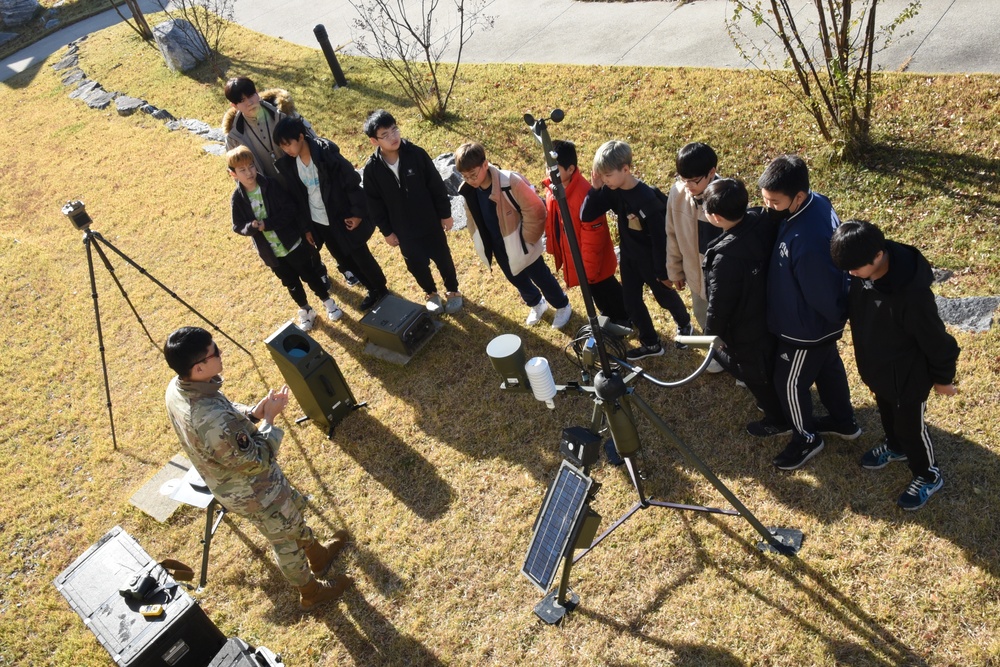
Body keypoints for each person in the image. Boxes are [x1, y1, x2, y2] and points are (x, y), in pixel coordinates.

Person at [163, 327, 351, 611]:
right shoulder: (208, 419)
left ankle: (318, 554)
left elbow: (226, 418)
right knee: (285, 540)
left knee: (291, 514)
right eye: (216, 352)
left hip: (254, 482)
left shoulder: (181, 386)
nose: (221, 353)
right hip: (252, 492)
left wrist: (254, 413)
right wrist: (270, 422)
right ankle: (310, 591)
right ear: (199, 366)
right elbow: (257, 459)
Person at [830, 220, 960, 510]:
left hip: (908, 378)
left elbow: (937, 341)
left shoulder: (913, 297)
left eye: (854, 269)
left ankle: (928, 474)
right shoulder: (861, 271)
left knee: (911, 427)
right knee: (887, 413)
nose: (851, 275)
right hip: (877, 369)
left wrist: (943, 378)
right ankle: (895, 446)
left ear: (877, 256)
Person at [760, 154, 860, 470]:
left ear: (798, 196)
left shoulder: (807, 240)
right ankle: (845, 421)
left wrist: (828, 322)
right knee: (828, 367)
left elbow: (821, 291)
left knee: (788, 382)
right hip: (816, 324)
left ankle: (806, 437)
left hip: (806, 327)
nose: (768, 207)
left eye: (774, 201)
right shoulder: (818, 203)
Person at [223, 76, 359, 288]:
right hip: (275, 196)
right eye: (242, 100)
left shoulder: (283, 114)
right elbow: (237, 168)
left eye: (251, 95)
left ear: (257, 92)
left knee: (326, 227)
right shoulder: (234, 136)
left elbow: (313, 142)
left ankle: (347, 266)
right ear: (234, 105)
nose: (249, 102)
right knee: (303, 238)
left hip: (306, 183)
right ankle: (319, 271)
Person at [581, 140, 692, 360]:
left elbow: (662, 239)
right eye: (601, 175)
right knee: (631, 302)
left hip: (652, 261)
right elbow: (587, 214)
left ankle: (684, 322)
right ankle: (651, 343)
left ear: (625, 169)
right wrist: (595, 189)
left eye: (608, 175)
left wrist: (664, 272)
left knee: (664, 297)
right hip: (630, 258)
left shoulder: (647, 198)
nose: (604, 180)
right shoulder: (612, 191)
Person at [274, 117, 390, 311]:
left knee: (361, 256)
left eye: (288, 144)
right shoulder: (290, 165)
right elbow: (298, 201)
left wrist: (358, 213)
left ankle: (382, 290)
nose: (286, 149)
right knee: (344, 259)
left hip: (342, 216)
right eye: (282, 146)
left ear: (301, 137)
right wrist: (307, 229)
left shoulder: (325, 154)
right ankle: (372, 290)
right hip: (320, 222)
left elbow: (351, 181)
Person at [701, 178, 787, 435]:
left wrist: (711, 335)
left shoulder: (726, 258)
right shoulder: (763, 220)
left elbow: (719, 303)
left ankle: (777, 420)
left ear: (715, 217)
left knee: (755, 374)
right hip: (770, 313)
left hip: (745, 328)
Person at [455, 142, 572, 328]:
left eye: (473, 175)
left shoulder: (510, 182)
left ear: (485, 164)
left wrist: (526, 241)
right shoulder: (469, 189)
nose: (470, 180)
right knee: (515, 277)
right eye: (465, 176)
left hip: (522, 242)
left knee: (540, 275)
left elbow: (536, 211)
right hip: (497, 243)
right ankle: (536, 303)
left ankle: (562, 305)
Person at [228, 146, 343, 331]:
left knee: (310, 274)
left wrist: (268, 224)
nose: (249, 172)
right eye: (242, 170)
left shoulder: (270, 185)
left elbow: (289, 209)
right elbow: (237, 226)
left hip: (292, 243)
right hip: (271, 252)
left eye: (251, 166)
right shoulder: (238, 199)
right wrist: (251, 227)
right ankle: (306, 310)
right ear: (233, 174)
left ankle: (328, 301)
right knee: (290, 283)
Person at [362, 109, 463, 315]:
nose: (393, 137)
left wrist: (445, 213)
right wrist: (387, 231)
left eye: (394, 130)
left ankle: (453, 291)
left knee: (443, 257)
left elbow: (436, 185)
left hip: (430, 221)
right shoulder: (372, 169)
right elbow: (374, 205)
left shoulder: (416, 154)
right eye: (386, 135)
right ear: (374, 141)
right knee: (416, 264)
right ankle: (430, 293)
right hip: (402, 229)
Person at [541, 140, 628, 324]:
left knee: (606, 290)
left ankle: (624, 318)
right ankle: (612, 316)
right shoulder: (553, 188)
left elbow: (594, 237)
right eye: (547, 166)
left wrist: (588, 269)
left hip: (593, 262)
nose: (549, 172)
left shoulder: (583, 195)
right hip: (579, 259)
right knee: (597, 294)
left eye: (554, 167)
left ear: (571, 169)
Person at [665, 143, 723, 341]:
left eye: (694, 181)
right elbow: (672, 233)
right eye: (683, 180)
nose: (688, 186)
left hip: (721, 280)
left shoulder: (725, 197)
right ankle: (714, 351)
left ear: (711, 172)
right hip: (694, 277)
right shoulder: (678, 194)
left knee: (725, 318)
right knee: (702, 314)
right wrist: (675, 270)